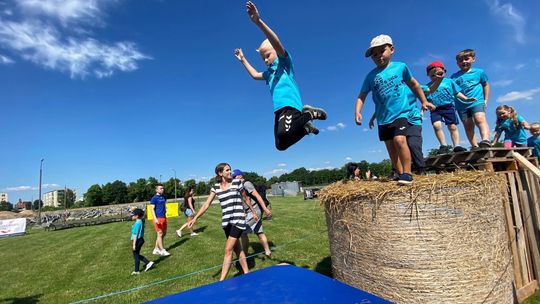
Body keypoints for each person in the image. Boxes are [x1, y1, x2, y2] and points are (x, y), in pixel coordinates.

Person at [234, 1, 327, 151]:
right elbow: (254, 75)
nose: (265, 60)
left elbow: (276, 42)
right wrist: (243, 60)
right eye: (262, 58)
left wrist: (258, 22)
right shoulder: (269, 74)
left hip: (290, 106)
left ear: (276, 52)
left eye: (267, 55)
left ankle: (310, 114)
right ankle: (306, 129)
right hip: (279, 110)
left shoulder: (284, 64)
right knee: (280, 145)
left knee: (284, 133)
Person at [356, 34, 435, 184]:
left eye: (382, 51)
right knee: (391, 148)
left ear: (391, 49)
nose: (378, 56)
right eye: (374, 55)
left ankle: (407, 173)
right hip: (383, 118)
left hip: (400, 113)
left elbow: (414, 84)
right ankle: (399, 173)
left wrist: (423, 101)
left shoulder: (400, 67)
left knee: (400, 140)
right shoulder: (370, 76)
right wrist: (358, 111)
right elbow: (362, 95)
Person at [188, 163, 259, 281]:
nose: (230, 172)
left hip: (238, 220)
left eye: (230, 170)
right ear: (220, 173)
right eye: (227, 170)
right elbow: (206, 204)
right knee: (237, 249)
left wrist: (254, 212)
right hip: (226, 222)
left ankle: (221, 281)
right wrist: (195, 218)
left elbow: (245, 198)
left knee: (228, 250)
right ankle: (246, 272)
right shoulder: (216, 187)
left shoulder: (237, 183)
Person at [423, 61, 475, 154]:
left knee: (452, 126)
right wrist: (423, 109)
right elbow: (424, 100)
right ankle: (443, 145)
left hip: (448, 107)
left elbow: (457, 93)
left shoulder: (449, 81)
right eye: (432, 76)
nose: (435, 77)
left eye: (438, 74)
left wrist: (466, 99)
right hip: (435, 109)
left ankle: (457, 145)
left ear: (443, 72)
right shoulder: (427, 86)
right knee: (436, 125)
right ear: (429, 76)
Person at [450, 49, 491, 149]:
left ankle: (485, 140)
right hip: (461, 105)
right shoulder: (454, 77)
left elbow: (485, 85)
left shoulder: (479, 72)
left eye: (466, 59)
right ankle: (474, 146)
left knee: (479, 119)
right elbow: (453, 92)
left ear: (473, 59)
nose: (464, 62)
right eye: (461, 60)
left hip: (477, 101)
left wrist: (486, 99)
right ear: (457, 63)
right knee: (468, 125)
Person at [231, 169, 273, 258]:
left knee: (242, 232)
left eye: (234, 177)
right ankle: (268, 251)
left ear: (240, 176)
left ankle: (244, 256)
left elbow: (257, 196)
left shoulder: (246, 184)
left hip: (254, 211)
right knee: (259, 232)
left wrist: (265, 209)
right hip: (249, 211)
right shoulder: (238, 186)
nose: (233, 179)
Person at [130, 208, 154, 275]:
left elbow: (135, 235)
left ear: (137, 216)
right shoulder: (140, 221)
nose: (131, 216)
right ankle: (148, 263)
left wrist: (134, 244)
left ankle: (136, 271)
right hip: (140, 240)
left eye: (133, 215)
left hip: (137, 240)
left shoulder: (137, 223)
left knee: (136, 256)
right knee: (136, 254)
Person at [150, 183, 170, 256]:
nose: (162, 189)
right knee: (160, 233)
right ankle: (162, 250)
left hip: (163, 217)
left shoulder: (164, 197)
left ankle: (156, 249)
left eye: (163, 188)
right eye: (161, 188)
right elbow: (152, 209)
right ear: (156, 189)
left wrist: (166, 208)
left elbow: (164, 204)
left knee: (163, 233)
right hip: (158, 218)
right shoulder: (154, 198)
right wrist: (155, 219)